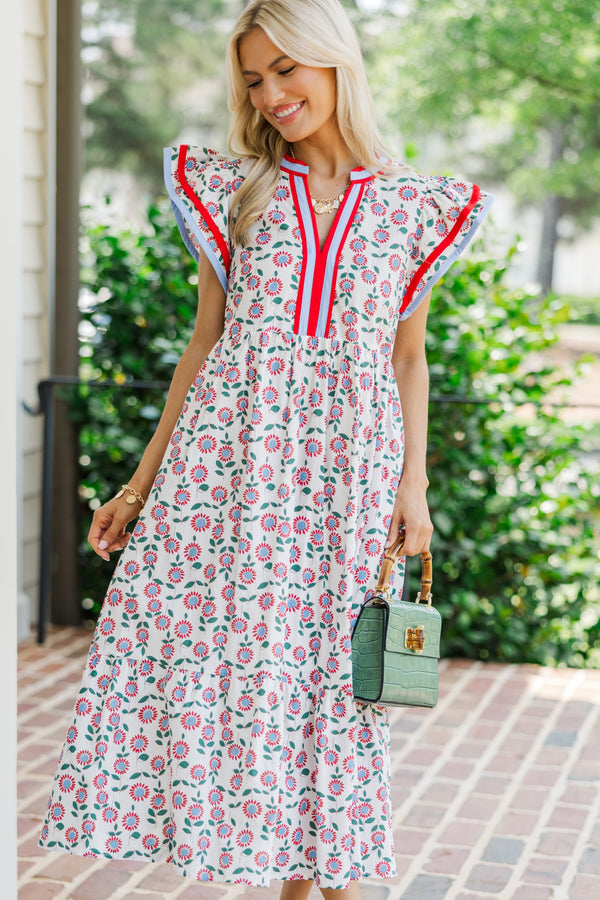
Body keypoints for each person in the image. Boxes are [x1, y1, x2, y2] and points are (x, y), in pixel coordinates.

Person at [39, 0, 493, 897]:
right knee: (224, 663)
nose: (272, 94)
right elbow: (205, 341)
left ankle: (332, 878)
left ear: (335, 63)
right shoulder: (233, 186)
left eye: (287, 69)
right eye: (254, 78)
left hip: (348, 477)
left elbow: (408, 355)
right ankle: (287, 872)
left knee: (337, 683)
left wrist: (416, 488)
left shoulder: (416, 207)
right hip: (230, 470)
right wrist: (140, 483)